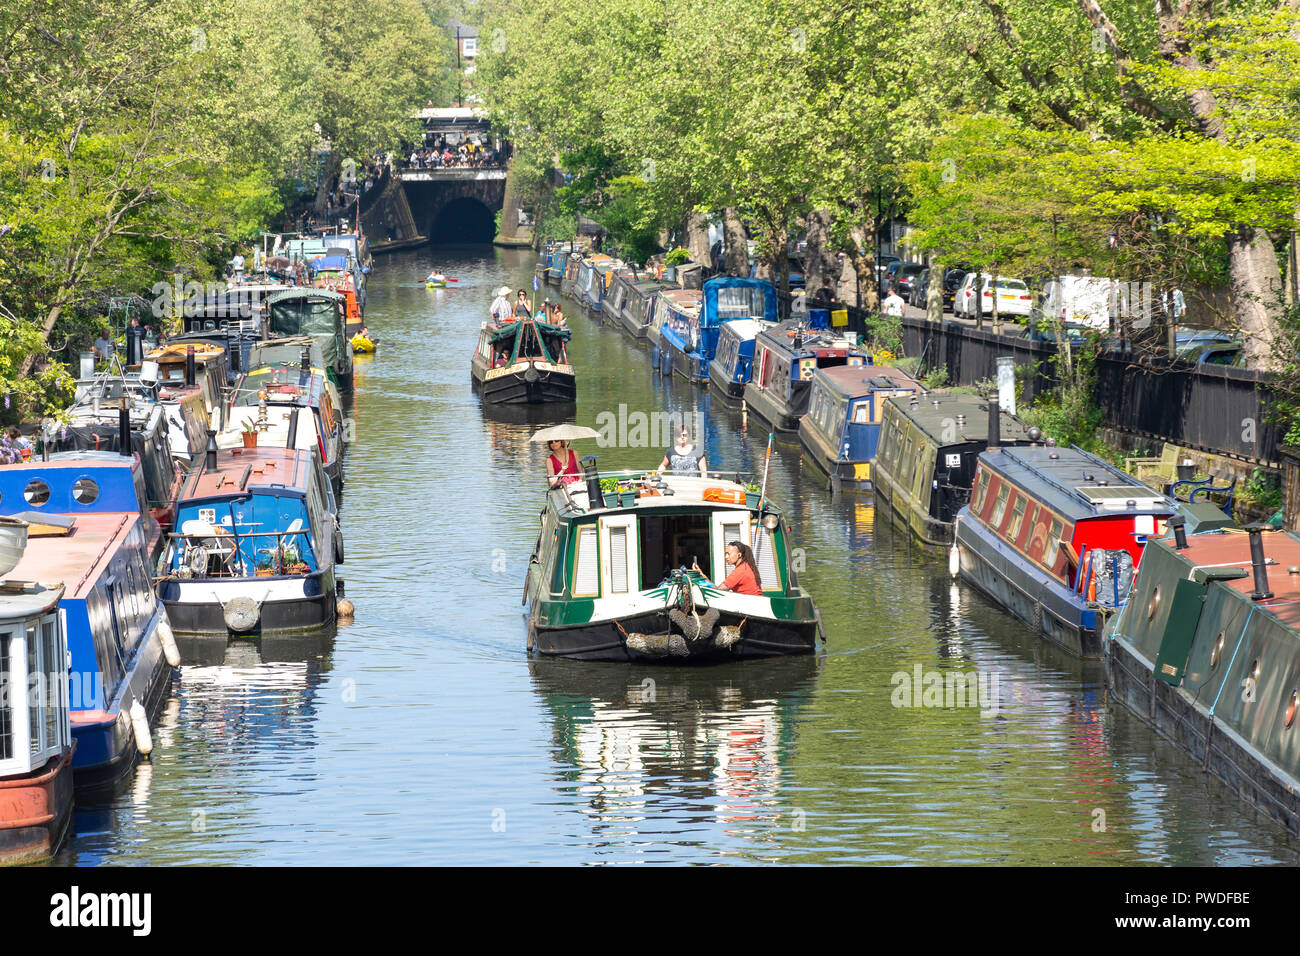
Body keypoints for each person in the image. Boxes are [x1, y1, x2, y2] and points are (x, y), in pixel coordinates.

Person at [692, 541, 763, 596]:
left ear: (739, 555)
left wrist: (701, 577)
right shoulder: (745, 566)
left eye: (729, 554)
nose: (726, 557)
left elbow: (718, 591)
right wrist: (701, 574)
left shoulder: (740, 570)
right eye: (725, 554)